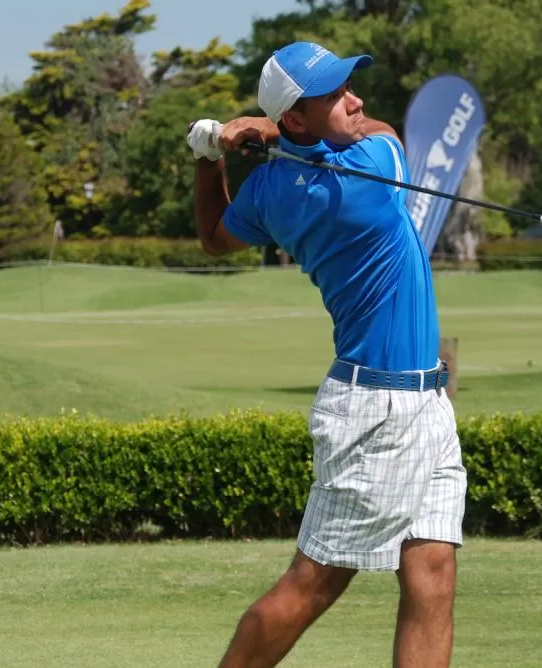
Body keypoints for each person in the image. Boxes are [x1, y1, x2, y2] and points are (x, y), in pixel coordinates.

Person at [186, 41, 467, 668]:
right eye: (336, 95)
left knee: (433, 573)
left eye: (349, 87)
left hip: (424, 401)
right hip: (376, 411)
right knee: (312, 585)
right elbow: (383, 130)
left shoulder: (269, 192)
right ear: (295, 116)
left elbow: (213, 238)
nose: (356, 101)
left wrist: (209, 158)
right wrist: (269, 131)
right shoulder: (371, 169)